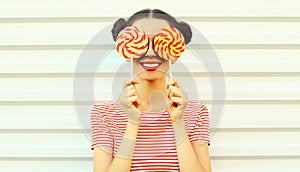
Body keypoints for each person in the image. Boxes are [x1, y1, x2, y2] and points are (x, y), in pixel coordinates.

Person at [91, 9, 211, 172]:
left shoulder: (197, 113)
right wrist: (133, 122)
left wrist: (177, 121)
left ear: (175, 52)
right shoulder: (103, 114)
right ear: (125, 50)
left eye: (160, 41)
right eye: (141, 42)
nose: (150, 52)